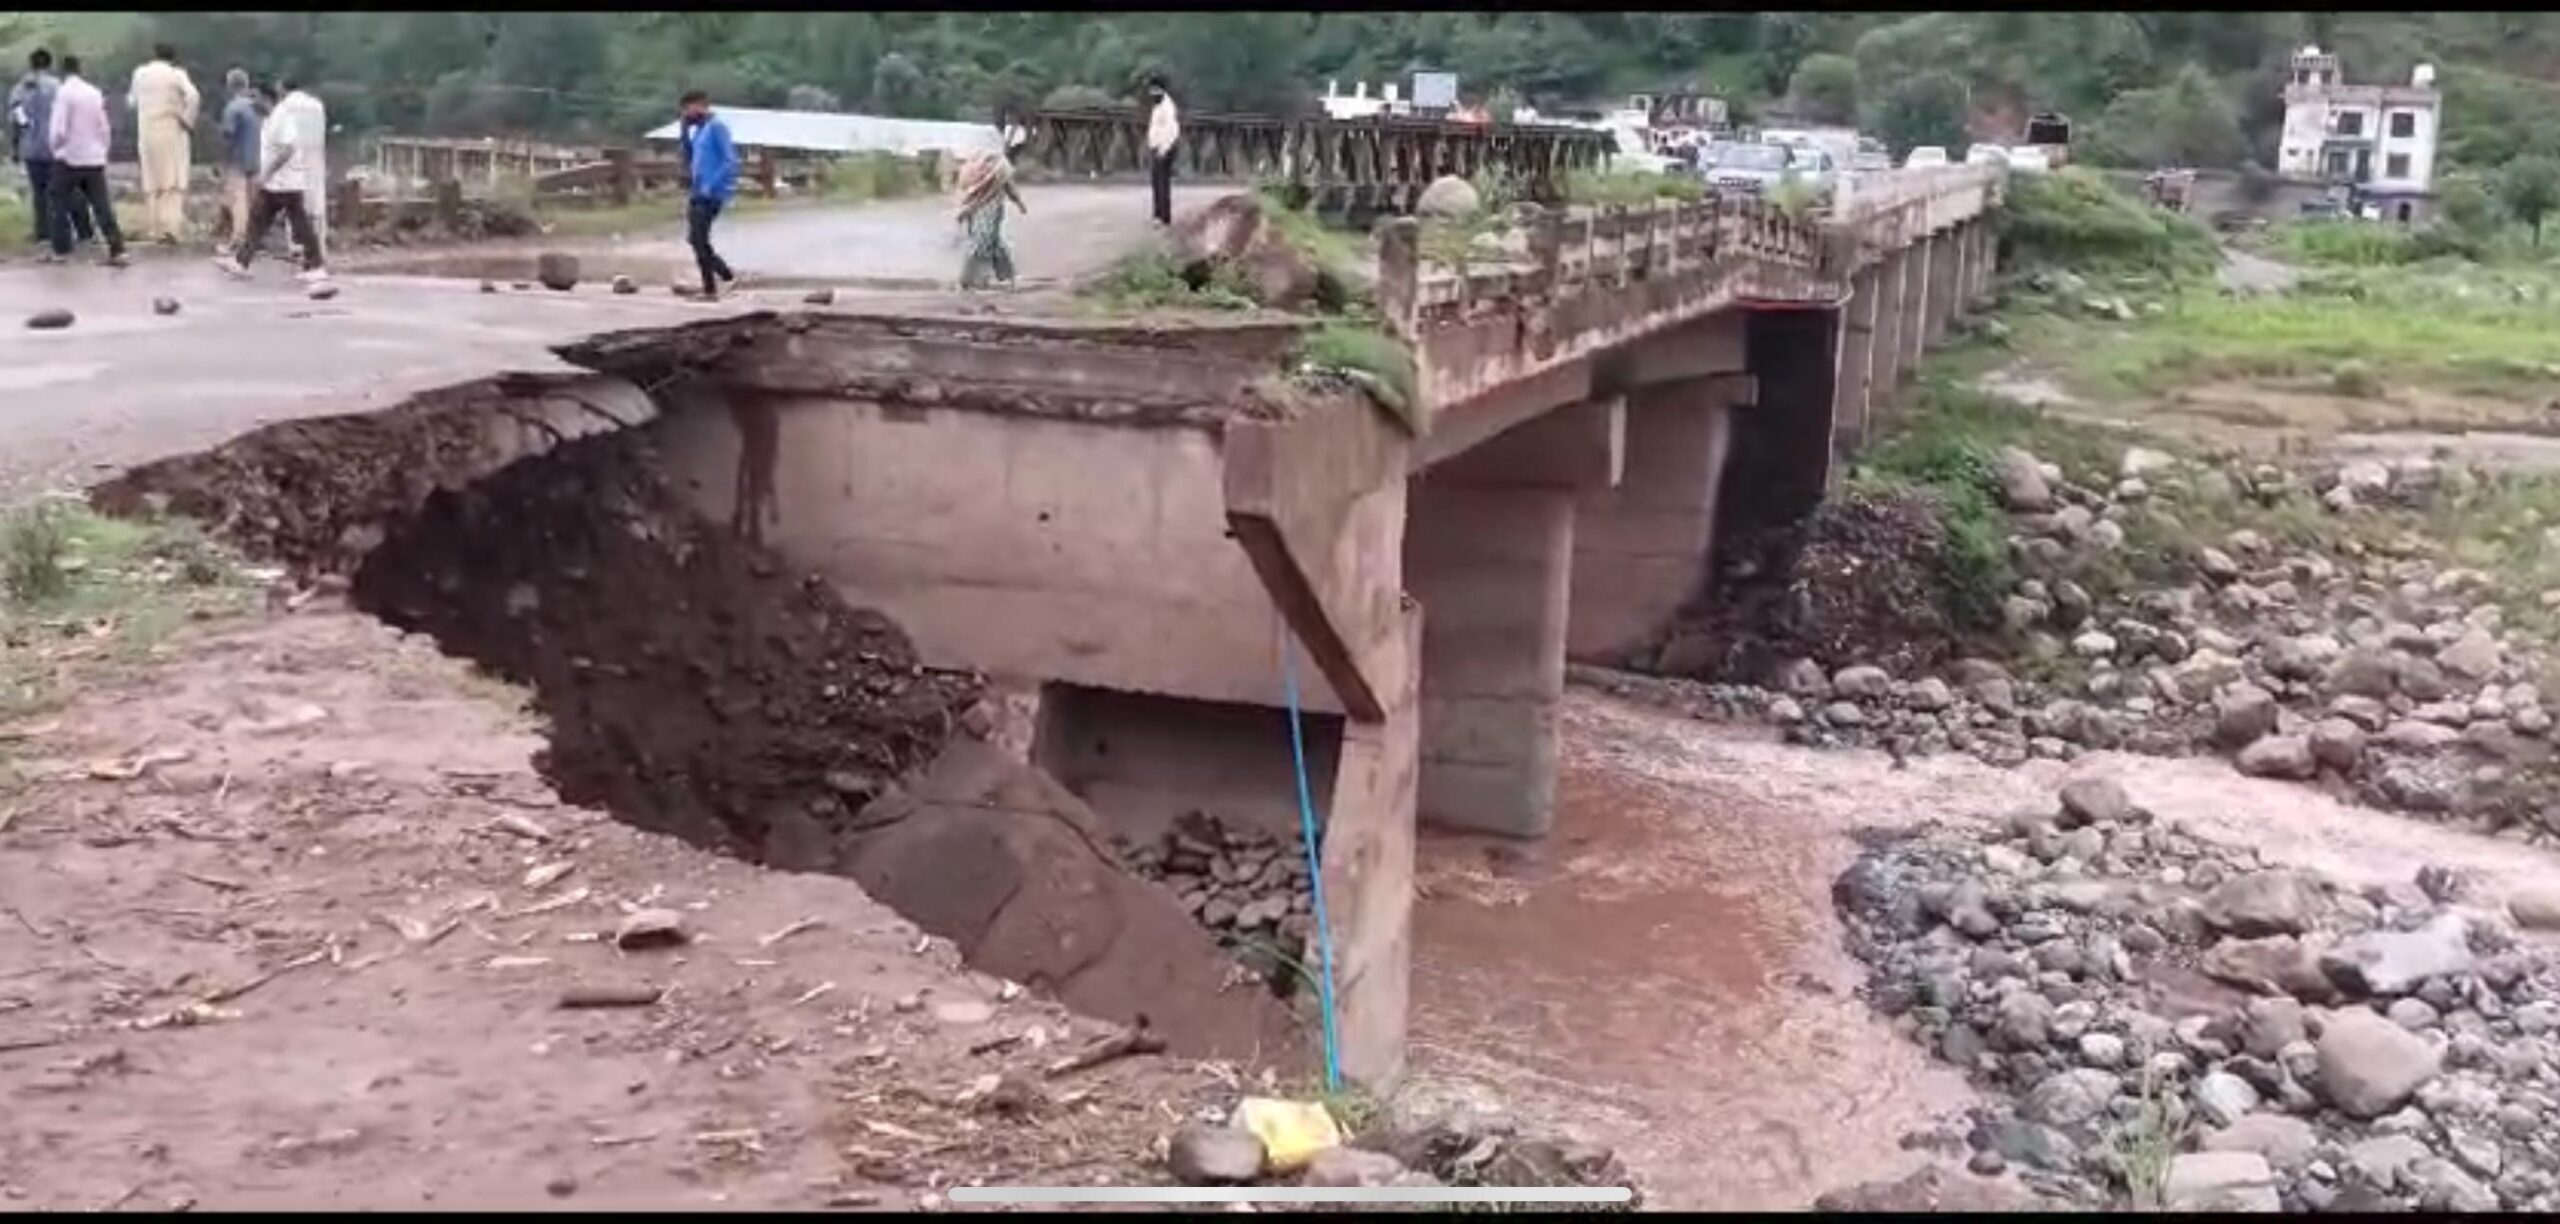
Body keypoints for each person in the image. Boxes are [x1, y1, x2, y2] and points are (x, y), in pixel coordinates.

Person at [212, 75, 325, 282]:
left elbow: (288, 148)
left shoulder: (282, 116)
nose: (253, 103)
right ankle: (241, 261)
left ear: (266, 98)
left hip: (286, 182)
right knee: (259, 221)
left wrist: (267, 173)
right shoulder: (272, 118)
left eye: (257, 98)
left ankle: (316, 264)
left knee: (299, 224)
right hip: (277, 183)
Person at [44, 55, 125, 267]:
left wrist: (55, 148)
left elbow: (58, 129)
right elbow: (103, 127)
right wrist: (102, 150)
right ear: (80, 70)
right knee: (101, 205)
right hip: (94, 157)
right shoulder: (93, 92)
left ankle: (61, 249)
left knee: (57, 201)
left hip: (69, 157)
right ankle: (117, 248)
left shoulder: (64, 93)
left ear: (62, 71)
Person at [9, 49, 93, 253]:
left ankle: (43, 234)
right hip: (57, 148)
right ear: (49, 64)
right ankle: (83, 231)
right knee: (69, 190)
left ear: (30, 64)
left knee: (39, 193)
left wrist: (15, 146)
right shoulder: (58, 87)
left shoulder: (19, 90)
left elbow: (16, 120)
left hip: (31, 149)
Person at [127, 43, 200, 245]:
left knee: (151, 181)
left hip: (147, 132)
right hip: (171, 131)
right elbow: (193, 96)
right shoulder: (176, 74)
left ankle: (155, 229)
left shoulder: (140, 74)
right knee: (173, 181)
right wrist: (186, 119)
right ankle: (171, 228)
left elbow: (131, 101)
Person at [676, 88, 739, 301]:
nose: (686, 113)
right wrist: (684, 130)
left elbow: (731, 161)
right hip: (697, 191)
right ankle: (718, 281)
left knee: (699, 239)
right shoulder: (700, 131)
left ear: (700, 105)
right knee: (695, 239)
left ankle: (718, 282)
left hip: (710, 193)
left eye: (688, 109)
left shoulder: (717, 127)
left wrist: (711, 185)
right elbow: (689, 157)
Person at [953, 121, 1029, 290]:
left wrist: (1019, 203)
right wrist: (961, 206)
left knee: (984, 243)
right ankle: (997, 278)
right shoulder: (972, 163)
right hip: (974, 209)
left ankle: (974, 280)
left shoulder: (1000, 166)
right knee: (988, 243)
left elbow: (1009, 186)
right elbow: (963, 187)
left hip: (992, 209)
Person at [215, 67, 263, 256]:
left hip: (237, 160)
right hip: (256, 159)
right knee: (252, 203)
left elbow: (228, 135)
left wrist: (221, 161)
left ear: (229, 85)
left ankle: (239, 241)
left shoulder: (233, 108)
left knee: (238, 203)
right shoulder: (256, 107)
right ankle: (254, 240)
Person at [1144, 76, 1178, 226]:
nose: (1151, 93)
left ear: (1161, 90)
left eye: (1154, 90)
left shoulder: (1167, 107)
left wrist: (1163, 149)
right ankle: (1159, 215)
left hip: (1163, 149)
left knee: (1161, 183)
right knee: (1157, 183)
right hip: (1157, 148)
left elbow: (1172, 130)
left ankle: (1163, 217)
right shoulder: (1158, 106)